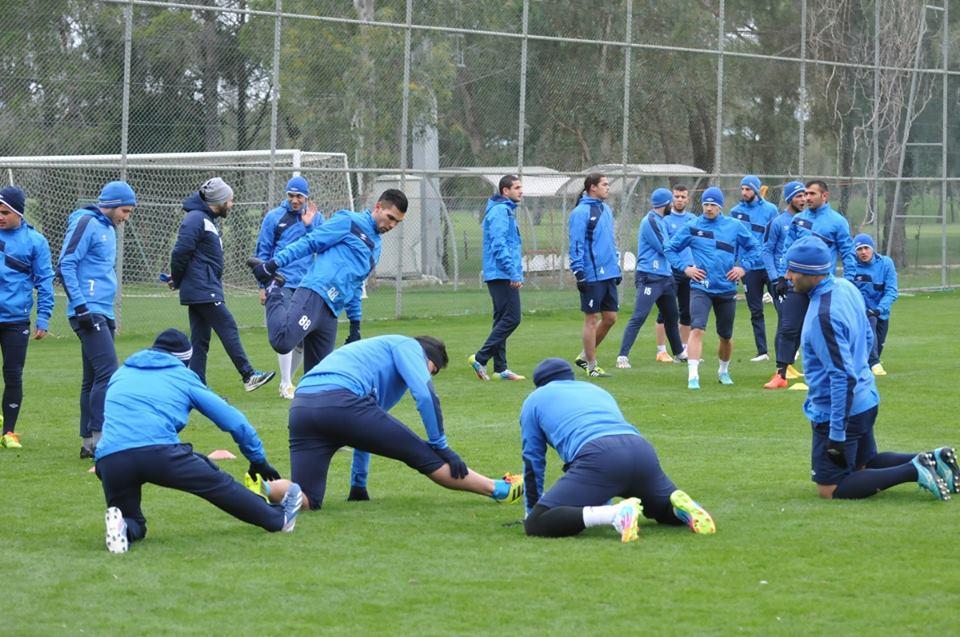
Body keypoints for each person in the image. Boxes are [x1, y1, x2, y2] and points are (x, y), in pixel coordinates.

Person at [95, 329, 303, 554]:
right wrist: (258, 460)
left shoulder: (121, 373)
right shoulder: (183, 376)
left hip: (110, 459)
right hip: (158, 453)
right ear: (184, 360)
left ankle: (123, 528)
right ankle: (278, 519)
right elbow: (233, 421)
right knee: (218, 484)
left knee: (134, 521)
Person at [785, 236, 958, 501]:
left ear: (811, 273)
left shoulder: (823, 315)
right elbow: (867, 336)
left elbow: (842, 377)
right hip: (865, 398)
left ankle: (915, 470)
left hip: (840, 412)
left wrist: (837, 434)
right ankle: (934, 458)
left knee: (830, 489)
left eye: (793, 270)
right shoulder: (845, 286)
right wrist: (862, 372)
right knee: (864, 464)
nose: (787, 276)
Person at [280, 334, 523, 511]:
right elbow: (425, 395)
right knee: (424, 455)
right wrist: (441, 445)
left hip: (302, 407)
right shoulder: (408, 346)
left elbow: (365, 433)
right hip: (342, 400)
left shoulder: (376, 354)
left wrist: (358, 485)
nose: (428, 375)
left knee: (306, 499)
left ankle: (266, 489)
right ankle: (499, 489)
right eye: (432, 370)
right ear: (426, 357)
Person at [519, 358, 716, 542]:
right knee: (663, 510)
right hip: (640, 450)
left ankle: (615, 514)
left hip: (599, 456)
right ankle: (681, 510)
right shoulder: (596, 390)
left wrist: (531, 510)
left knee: (537, 522)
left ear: (540, 384)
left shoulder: (535, 399)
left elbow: (533, 459)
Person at [248, 189, 408, 374]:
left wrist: (355, 325)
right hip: (315, 294)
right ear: (378, 207)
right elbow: (310, 242)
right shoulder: (349, 221)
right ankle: (273, 287)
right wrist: (274, 264)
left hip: (332, 312)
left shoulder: (377, 247)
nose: (392, 225)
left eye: (397, 222)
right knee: (282, 342)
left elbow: (356, 284)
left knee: (319, 378)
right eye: (390, 217)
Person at [169, 177, 275, 391]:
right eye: (229, 200)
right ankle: (248, 375)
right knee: (227, 325)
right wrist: (177, 279)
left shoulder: (206, 219)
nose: (231, 204)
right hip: (203, 288)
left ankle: (196, 388)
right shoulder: (196, 219)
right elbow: (180, 251)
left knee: (200, 341)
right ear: (217, 201)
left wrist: (180, 279)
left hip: (202, 287)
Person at [58, 180, 136, 459]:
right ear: (112, 205)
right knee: (108, 372)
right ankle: (102, 439)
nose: (126, 217)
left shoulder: (108, 229)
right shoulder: (87, 222)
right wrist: (81, 307)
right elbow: (66, 263)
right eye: (125, 211)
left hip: (104, 310)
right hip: (89, 310)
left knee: (92, 378)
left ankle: (88, 443)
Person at [664, 187, 761, 390]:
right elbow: (670, 248)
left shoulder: (734, 226)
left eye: (713, 205)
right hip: (701, 287)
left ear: (720, 206)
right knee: (697, 328)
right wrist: (686, 268)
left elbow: (755, 247)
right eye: (706, 204)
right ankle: (693, 376)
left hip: (726, 288)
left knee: (725, 336)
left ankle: (723, 371)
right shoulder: (692, 226)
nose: (709, 208)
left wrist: (743, 267)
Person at [254, 176, 319, 399]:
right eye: (291, 195)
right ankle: (286, 383)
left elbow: (321, 244)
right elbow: (263, 251)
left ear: (306, 197)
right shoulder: (274, 217)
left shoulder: (316, 218)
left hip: (307, 284)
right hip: (280, 282)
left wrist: (309, 226)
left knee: (302, 337)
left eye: (299, 196)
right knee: (285, 331)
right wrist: (262, 285)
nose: (294, 200)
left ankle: (287, 381)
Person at [0, 186, 54, 449]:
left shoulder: (36, 241)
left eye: (5, 212)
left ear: (18, 213)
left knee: (13, 375)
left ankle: (8, 432)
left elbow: (45, 282)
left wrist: (43, 317)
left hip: (15, 321)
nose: (0, 217)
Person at [616, 188, 685, 368]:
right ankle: (622, 357)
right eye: (671, 201)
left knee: (672, 316)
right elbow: (665, 247)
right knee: (639, 316)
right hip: (650, 276)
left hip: (665, 276)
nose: (673, 205)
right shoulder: (651, 221)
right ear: (665, 203)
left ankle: (679, 353)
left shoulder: (661, 221)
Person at [468, 175, 525, 381]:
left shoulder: (506, 210)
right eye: (517, 187)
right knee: (512, 318)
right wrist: (513, 272)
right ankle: (480, 358)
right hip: (501, 274)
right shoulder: (501, 211)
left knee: (502, 319)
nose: (521, 191)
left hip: (501, 273)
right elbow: (499, 245)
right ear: (505, 191)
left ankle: (500, 369)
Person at [569, 173, 621, 377]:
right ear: (592, 187)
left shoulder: (606, 209)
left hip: (608, 273)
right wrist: (579, 272)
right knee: (591, 319)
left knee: (610, 318)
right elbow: (576, 244)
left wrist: (615, 267)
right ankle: (591, 366)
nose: (608, 188)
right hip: (591, 274)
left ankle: (584, 356)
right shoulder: (580, 212)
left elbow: (610, 241)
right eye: (604, 184)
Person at [762, 181, 808, 389]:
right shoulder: (778, 222)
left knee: (799, 324)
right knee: (786, 322)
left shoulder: (807, 221)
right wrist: (775, 278)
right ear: (789, 199)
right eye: (798, 196)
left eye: (804, 195)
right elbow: (767, 251)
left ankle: (788, 364)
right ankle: (781, 368)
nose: (803, 199)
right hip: (782, 281)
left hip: (802, 281)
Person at [729, 175, 779, 362]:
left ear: (756, 190)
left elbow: (776, 237)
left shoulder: (770, 210)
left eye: (748, 189)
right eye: (742, 189)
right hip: (748, 269)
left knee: (782, 307)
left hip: (769, 267)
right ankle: (762, 352)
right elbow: (733, 240)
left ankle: (789, 347)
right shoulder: (735, 212)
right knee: (756, 311)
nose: (744, 192)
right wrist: (733, 264)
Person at [654, 185, 696, 362]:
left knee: (687, 312)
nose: (679, 200)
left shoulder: (693, 219)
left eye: (683, 197)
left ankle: (683, 350)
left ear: (687, 199)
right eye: (676, 196)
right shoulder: (665, 220)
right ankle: (661, 351)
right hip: (670, 271)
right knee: (665, 312)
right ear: (672, 199)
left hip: (689, 270)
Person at [851, 233, 898, 376]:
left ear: (873, 249)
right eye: (859, 249)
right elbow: (850, 292)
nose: (863, 252)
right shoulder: (851, 266)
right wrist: (864, 310)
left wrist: (879, 309)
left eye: (866, 248)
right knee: (869, 328)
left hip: (881, 311)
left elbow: (891, 291)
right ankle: (874, 363)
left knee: (878, 343)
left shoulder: (886, 263)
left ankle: (862, 364)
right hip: (863, 311)